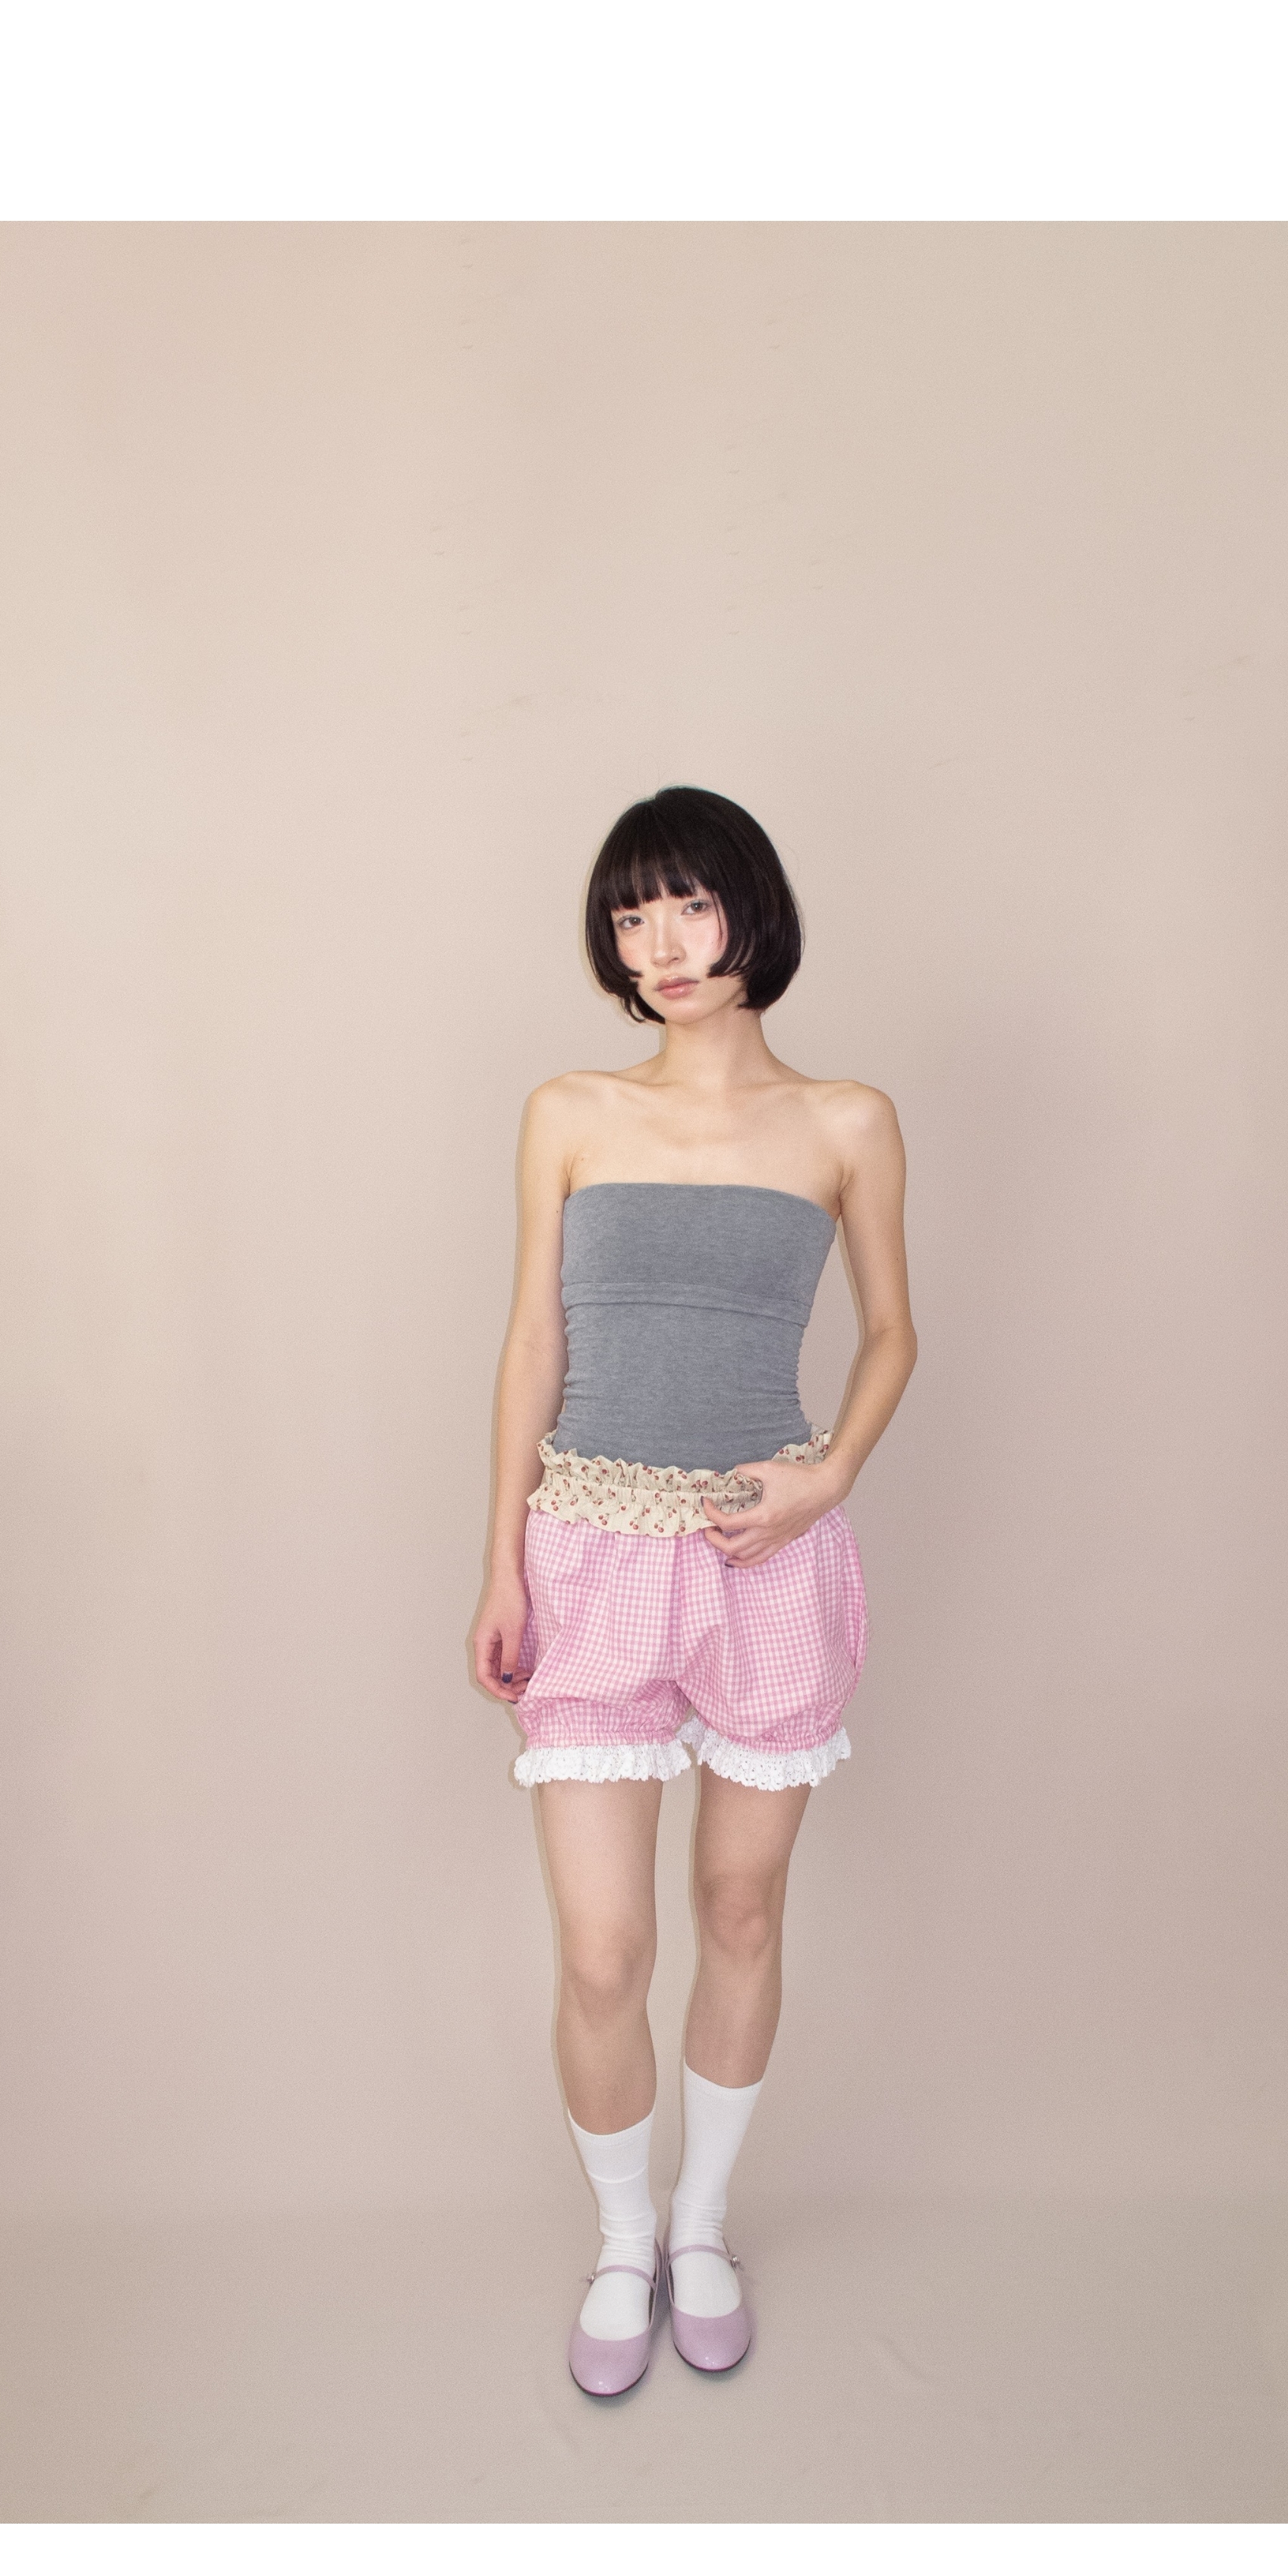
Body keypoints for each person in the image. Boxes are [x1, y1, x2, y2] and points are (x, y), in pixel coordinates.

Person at [471, 786, 917, 2397]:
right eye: (629, 916)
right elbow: (534, 1341)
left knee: (739, 1908)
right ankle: (622, 2241)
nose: (658, 945)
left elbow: (893, 1334)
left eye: (687, 906)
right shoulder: (570, 1111)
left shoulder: (847, 1122)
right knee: (603, 1948)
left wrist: (829, 1475)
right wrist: (500, 1556)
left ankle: (704, 2225)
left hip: (763, 1555)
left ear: (752, 912)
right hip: (588, 1550)